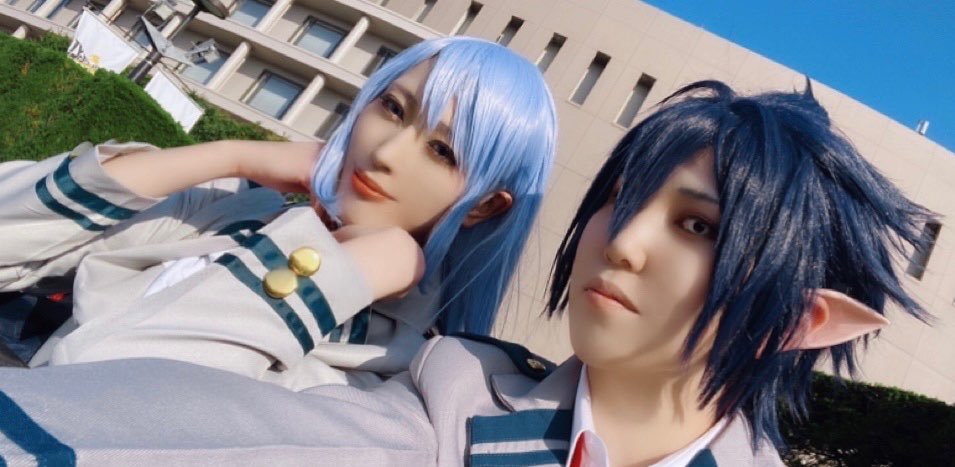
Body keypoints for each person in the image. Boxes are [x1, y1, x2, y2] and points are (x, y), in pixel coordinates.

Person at [0, 80, 931, 466]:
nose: (621, 241)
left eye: (698, 226)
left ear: (800, 320)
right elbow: (127, 415)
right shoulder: (444, 398)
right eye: (620, 198)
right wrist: (233, 168)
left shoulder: (410, 345)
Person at [0, 36, 557, 389]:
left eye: (441, 151)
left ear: (485, 206)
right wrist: (228, 154)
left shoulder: (399, 366)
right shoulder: (240, 207)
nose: (386, 153)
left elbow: (94, 394)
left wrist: (334, 272)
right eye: (392, 107)